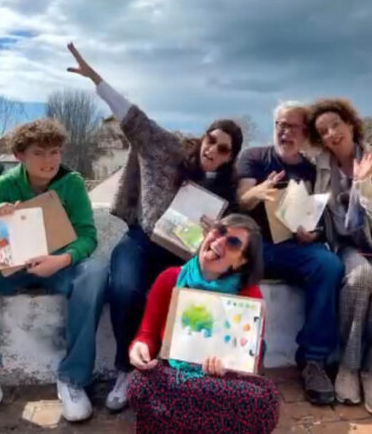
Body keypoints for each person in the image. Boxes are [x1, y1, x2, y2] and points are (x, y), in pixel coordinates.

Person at [66, 43, 244, 411]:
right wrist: (96, 79)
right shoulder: (170, 150)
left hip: (182, 255)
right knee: (126, 290)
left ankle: (170, 376)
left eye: (223, 149)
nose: (212, 150)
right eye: (211, 139)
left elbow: (235, 237)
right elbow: (135, 120)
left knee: (188, 298)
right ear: (203, 137)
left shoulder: (227, 191)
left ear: (230, 158)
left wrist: (217, 231)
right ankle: (125, 370)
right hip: (141, 240)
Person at [0, 119, 108, 422]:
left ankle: (72, 379)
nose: (49, 160)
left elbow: (87, 236)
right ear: (19, 156)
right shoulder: (2, 186)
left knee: (94, 274)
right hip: (12, 269)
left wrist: (62, 260)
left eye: (54, 152)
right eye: (39, 153)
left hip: (58, 267)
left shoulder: (72, 183)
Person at [127, 213, 279, 434]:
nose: (219, 241)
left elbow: (248, 362)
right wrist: (139, 348)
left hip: (221, 386)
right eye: (219, 231)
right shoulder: (170, 279)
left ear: (241, 261)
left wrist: (227, 368)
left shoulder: (249, 296)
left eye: (233, 242)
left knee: (265, 400)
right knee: (139, 383)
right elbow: (146, 334)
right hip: (178, 378)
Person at [237, 101, 343, 405]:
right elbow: (242, 200)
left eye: (292, 126)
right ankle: (241, 361)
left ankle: (313, 361)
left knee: (329, 265)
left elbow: (318, 217)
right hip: (254, 246)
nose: (285, 132)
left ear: (304, 132)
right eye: (280, 125)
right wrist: (258, 192)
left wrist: (311, 234)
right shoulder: (254, 157)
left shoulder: (310, 169)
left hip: (293, 248)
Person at [308, 98, 372, 416]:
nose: (331, 133)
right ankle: (348, 366)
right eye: (323, 131)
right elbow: (314, 210)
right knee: (359, 278)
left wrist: (364, 184)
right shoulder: (321, 168)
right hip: (348, 246)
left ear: (351, 125)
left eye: (336, 125)